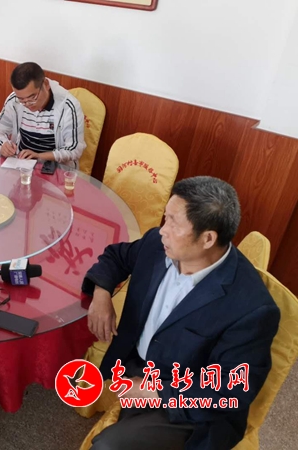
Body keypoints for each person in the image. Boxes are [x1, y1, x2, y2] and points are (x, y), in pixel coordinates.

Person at [82, 176, 280, 450]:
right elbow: (116, 256)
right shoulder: (157, 244)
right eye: (166, 217)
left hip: (191, 405)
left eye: (174, 223)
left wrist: (156, 392)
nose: (162, 230)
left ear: (208, 238)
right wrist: (102, 293)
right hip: (137, 364)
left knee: (108, 446)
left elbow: (232, 389)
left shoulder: (252, 308)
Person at [0, 62, 86, 169]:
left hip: (56, 170)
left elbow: (74, 149)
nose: (27, 104)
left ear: (46, 84)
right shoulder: (14, 101)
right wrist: (3, 145)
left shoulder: (68, 106)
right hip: (22, 166)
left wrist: (39, 156)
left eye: (32, 98)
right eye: (21, 99)